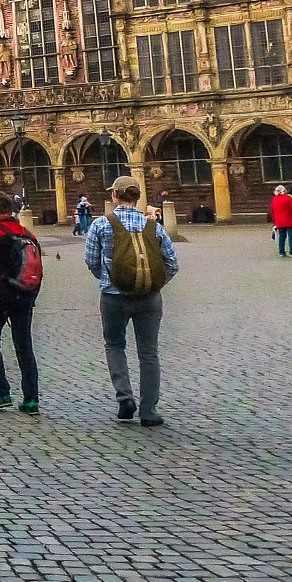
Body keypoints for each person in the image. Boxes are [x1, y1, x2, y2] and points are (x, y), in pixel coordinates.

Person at [84, 175, 177, 427]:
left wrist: (109, 280)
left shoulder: (101, 225)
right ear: (137, 198)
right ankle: (149, 411)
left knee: (114, 345)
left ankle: (124, 398)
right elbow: (172, 264)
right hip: (149, 297)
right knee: (149, 353)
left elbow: (91, 261)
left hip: (113, 297)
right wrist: (154, 284)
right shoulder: (154, 227)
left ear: (114, 195)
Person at [0, 191, 42, 413]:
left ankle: (2, 393)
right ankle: (31, 399)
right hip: (24, 295)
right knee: (24, 346)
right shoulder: (27, 233)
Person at [269, 185, 292, 257]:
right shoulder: (288, 198)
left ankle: (281, 252)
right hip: (290, 220)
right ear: (283, 191)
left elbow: (272, 212)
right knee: (291, 236)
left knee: (282, 237)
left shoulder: (274, 199)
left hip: (279, 221)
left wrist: (275, 222)